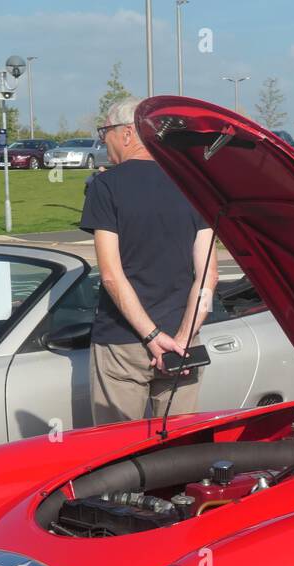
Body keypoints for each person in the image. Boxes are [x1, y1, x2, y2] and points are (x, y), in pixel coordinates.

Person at [80, 97, 217, 425]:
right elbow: (208, 276)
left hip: (122, 342)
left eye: (105, 131)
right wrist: (182, 337)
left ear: (127, 133)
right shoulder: (194, 184)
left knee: (116, 451)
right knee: (179, 447)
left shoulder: (106, 186)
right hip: (183, 342)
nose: (103, 140)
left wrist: (151, 336)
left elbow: (111, 275)